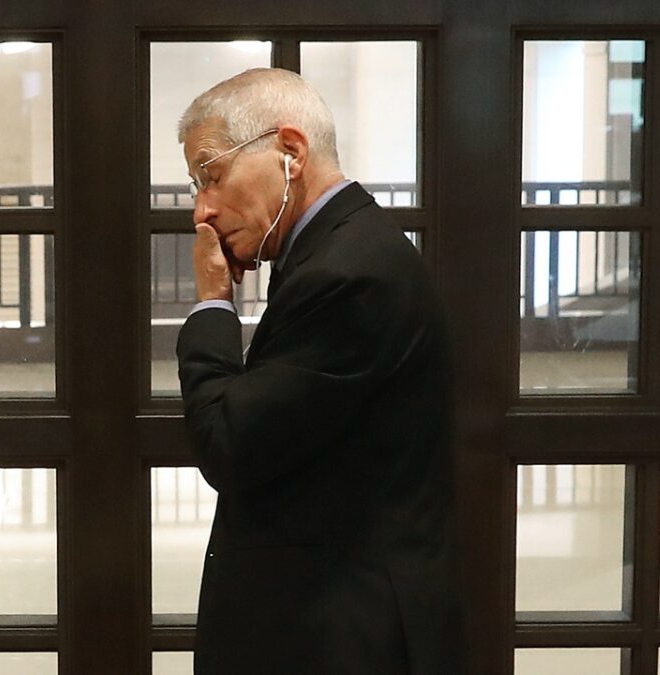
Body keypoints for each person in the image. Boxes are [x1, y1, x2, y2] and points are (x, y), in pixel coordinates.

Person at [175, 67, 466, 674]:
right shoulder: (337, 246)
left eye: (212, 174)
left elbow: (228, 442)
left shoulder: (349, 273)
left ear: (290, 151)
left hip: (344, 633)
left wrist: (211, 304)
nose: (202, 209)